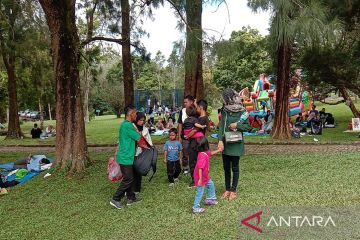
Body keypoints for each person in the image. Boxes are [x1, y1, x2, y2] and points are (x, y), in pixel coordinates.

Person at [218, 89, 252, 200]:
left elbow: (248, 127)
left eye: (225, 98)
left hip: (236, 143)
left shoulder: (243, 111)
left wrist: (236, 125)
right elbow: (221, 126)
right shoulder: (225, 111)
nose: (224, 101)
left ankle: (233, 190)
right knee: (226, 168)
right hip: (225, 143)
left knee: (235, 168)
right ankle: (227, 189)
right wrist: (219, 140)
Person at [110, 105, 141, 209]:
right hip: (125, 157)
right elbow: (138, 138)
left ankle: (131, 197)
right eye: (135, 113)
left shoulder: (126, 125)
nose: (136, 115)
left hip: (126, 156)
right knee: (128, 178)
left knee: (130, 177)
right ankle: (116, 199)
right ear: (130, 114)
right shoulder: (127, 125)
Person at [192, 137, 222, 214]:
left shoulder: (205, 152)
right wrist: (200, 179)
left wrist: (219, 150)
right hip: (200, 176)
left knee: (211, 184)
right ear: (206, 145)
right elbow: (200, 168)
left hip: (205, 176)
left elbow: (210, 153)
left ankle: (210, 199)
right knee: (200, 192)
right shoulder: (202, 155)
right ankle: (195, 207)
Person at [186, 100, 209, 188]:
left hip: (196, 142)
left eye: (198, 107)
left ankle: (195, 180)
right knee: (198, 160)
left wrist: (187, 136)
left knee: (193, 160)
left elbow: (194, 130)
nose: (196, 109)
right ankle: (199, 178)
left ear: (201, 108)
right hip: (199, 141)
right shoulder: (203, 117)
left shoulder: (201, 119)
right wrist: (195, 103)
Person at [134, 112, 153, 194]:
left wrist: (150, 147)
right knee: (131, 172)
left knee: (138, 171)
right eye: (140, 120)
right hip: (132, 152)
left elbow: (149, 141)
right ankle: (129, 189)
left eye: (143, 120)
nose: (142, 122)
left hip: (141, 153)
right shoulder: (132, 128)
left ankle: (137, 189)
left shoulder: (145, 129)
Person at [177, 95, 195, 174]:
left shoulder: (195, 111)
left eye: (186, 102)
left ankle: (194, 167)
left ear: (191, 102)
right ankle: (185, 167)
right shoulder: (183, 111)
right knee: (185, 151)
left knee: (194, 151)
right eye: (184, 102)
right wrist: (179, 135)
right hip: (185, 136)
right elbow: (180, 124)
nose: (184, 104)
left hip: (194, 135)